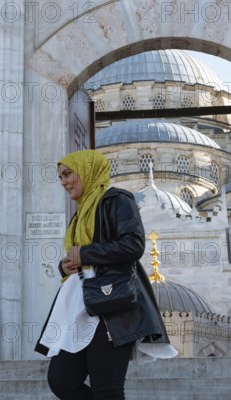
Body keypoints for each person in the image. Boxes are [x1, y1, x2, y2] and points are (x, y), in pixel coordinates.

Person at [35, 149, 176, 399]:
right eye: (60, 177)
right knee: (61, 381)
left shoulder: (117, 199)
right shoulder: (80, 215)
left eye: (68, 174)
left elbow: (133, 244)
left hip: (111, 307)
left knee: (106, 389)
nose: (64, 182)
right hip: (81, 308)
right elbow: (82, 261)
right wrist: (66, 266)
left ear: (87, 171)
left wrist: (86, 254)